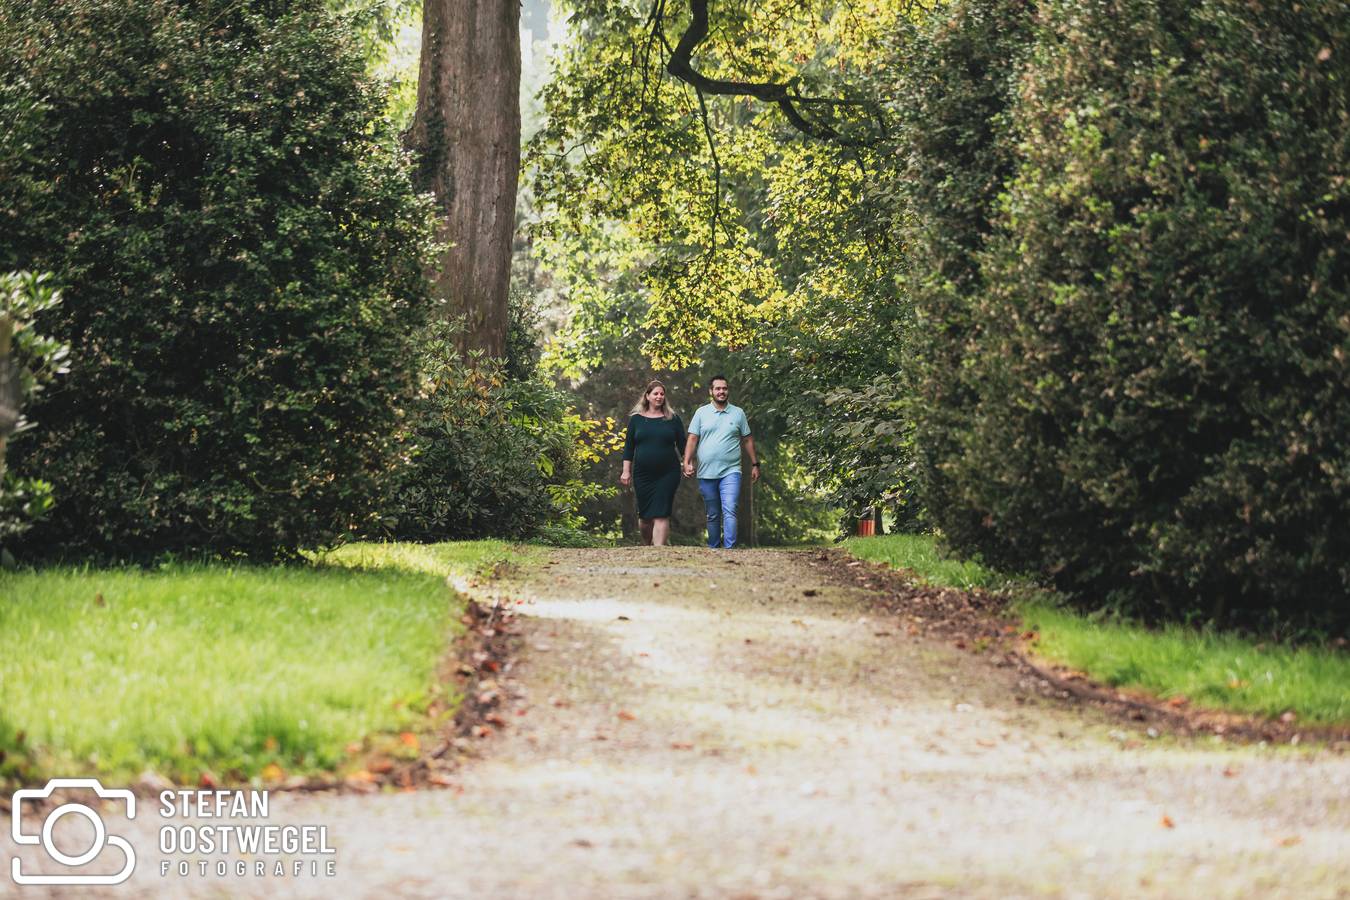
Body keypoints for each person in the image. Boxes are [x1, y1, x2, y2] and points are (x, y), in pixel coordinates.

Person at [683, 375, 759, 549]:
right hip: (706, 472)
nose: (721, 392)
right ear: (711, 391)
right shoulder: (701, 413)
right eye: (717, 388)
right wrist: (686, 461)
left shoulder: (738, 413)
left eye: (724, 388)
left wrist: (755, 464)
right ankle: (714, 548)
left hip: (731, 471)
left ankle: (730, 548)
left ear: (728, 391)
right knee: (713, 514)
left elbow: (747, 439)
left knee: (730, 508)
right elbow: (693, 439)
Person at [620, 380, 685, 546]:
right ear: (647, 396)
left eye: (662, 394)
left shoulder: (673, 419)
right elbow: (629, 448)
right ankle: (646, 544)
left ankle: (659, 551)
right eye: (655, 393)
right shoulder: (636, 420)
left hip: (668, 473)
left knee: (662, 513)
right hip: (643, 474)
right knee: (645, 517)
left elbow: (683, 446)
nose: (659, 396)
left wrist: (688, 462)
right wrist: (625, 471)